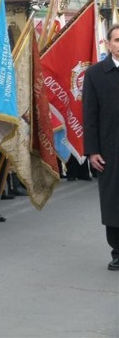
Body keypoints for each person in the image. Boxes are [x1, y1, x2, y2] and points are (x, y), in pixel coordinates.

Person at [83, 23, 119, 271]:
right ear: (108, 44)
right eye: (117, 40)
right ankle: (117, 251)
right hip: (110, 149)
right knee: (113, 200)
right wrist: (92, 150)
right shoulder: (95, 74)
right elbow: (89, 115)